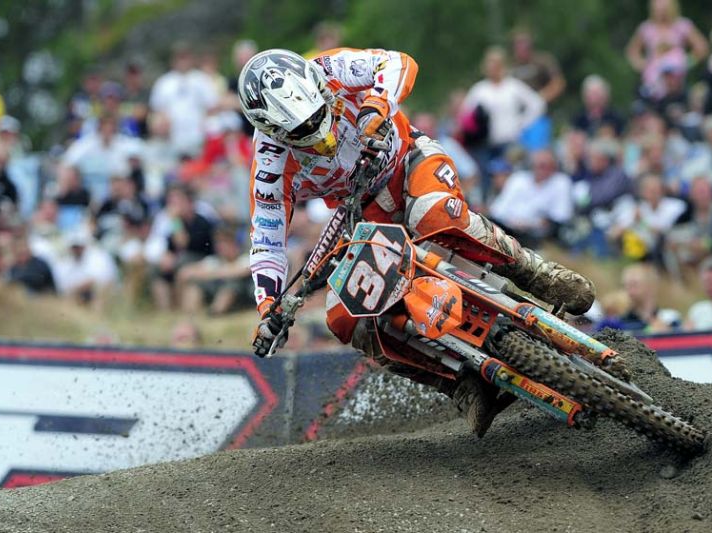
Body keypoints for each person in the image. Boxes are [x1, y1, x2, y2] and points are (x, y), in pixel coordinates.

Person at [238, 48, 594, 438]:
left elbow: (397, 62)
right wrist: (268, 307)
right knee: (345, 316)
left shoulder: (328, 66)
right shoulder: (269, 167)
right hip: (363, 213)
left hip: (409, 161)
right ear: (271, 131)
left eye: (317, 114)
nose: (315, 131)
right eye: (299, 131)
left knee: (435, 215)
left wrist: (377, 104)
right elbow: (267, 242)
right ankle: (457, 385)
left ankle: (536, 272)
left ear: (318, 88)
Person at [488, 149, 573, 248]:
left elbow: (560, 217)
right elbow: (497, 210)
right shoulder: (518, 178)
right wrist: (513, 222)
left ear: (554, 167)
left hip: (535, 236)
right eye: (537, 165)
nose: (540, 169)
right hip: (507, 229)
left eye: (544, 165)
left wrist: (530, 224)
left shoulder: (561, 182)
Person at [625, 0, 707, 102]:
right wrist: (643, 64)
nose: (662, 12)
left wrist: (687, 62)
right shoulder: (647, 28)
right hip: (653, 81)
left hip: (676, 81)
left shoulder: (681, 25)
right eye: (658, 9)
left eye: (664, 9)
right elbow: (632, 51)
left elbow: (701, 48)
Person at [149, 42, 219, 157]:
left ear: (191, 58)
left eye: (185, 57)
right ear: (173, 59)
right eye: (180, 57)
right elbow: (156, 110)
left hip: (198, 138)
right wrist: (161, 122)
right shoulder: (163, 82)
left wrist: (205, 125)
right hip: (171, 139)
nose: (182, 61)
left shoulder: (201, 79)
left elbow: (212, 106)